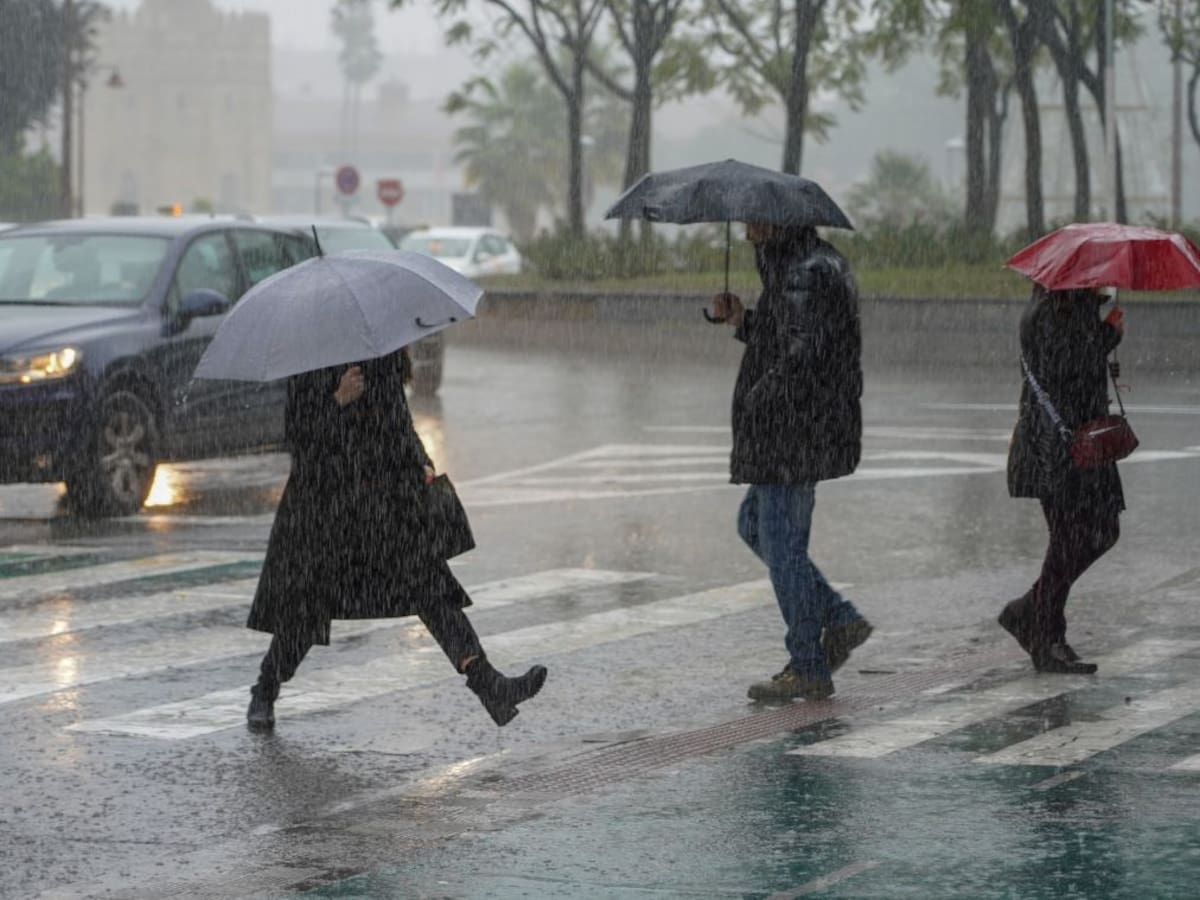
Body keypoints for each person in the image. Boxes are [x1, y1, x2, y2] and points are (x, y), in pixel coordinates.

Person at [245, 348, 547, 730]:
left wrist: (420, 458)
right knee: (306, 609)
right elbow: (300, 441)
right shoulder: (311, 356)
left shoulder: (380, 350)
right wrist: (337, 401)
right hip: (326, 509)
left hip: (385, 503)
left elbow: (398, 421)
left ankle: (490, 686)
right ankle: (265, 689)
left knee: (432, 592)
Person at [711, 222, 872, 702]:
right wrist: (745, 320)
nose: (743, 231)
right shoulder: (799, 267)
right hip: (797, 429)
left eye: (752, 220)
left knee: (781, 544)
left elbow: (802, 355)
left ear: (776, 222)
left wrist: (762, 396)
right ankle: (838, 618)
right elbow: (789, 337)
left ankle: (807, 663)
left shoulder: (804, 272)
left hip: (792, 431)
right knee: (755, 525)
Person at [1000, 285, 1125, 674]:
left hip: (1081, 440)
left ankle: (1032, 613)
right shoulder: (1050, 312)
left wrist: (1100, 338)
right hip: (1056, 444)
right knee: (1071, 538)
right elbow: (1064, 370)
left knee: (1100, 531)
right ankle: (1047, 633)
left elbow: (1076, 369)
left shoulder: (1072, 308)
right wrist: (1107, 337)